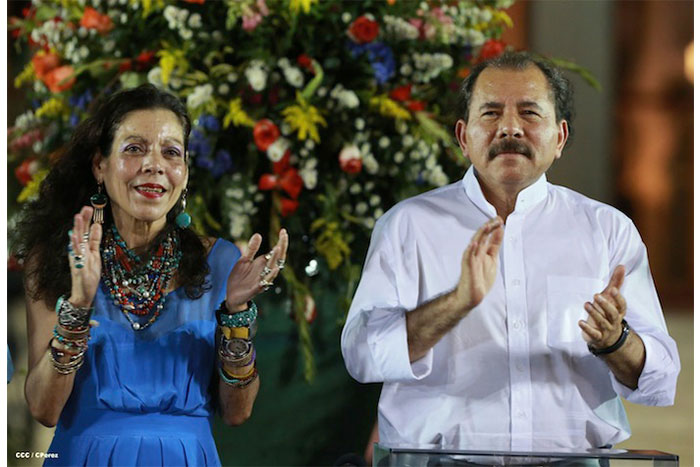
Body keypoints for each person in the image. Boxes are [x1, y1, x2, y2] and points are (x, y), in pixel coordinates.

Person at [341, 51, 680, 452]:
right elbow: (363, 355)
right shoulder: (408, 225)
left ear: (560, 137)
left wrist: (614, 340)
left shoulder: (606, 230)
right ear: (464, 137)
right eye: (491, 113)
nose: (510, 129)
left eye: (530, 113)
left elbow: (660, 379)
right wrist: (455, 303)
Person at [14, 84, 288, 466]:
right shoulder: (58, 260)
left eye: (171, 152)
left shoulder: (222, 261)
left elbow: (237, 412)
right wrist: (77, 307)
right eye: (134, 148)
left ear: (185, 172)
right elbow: (44, 408)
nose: (154, 164)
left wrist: (236, 312)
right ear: (100, 165)